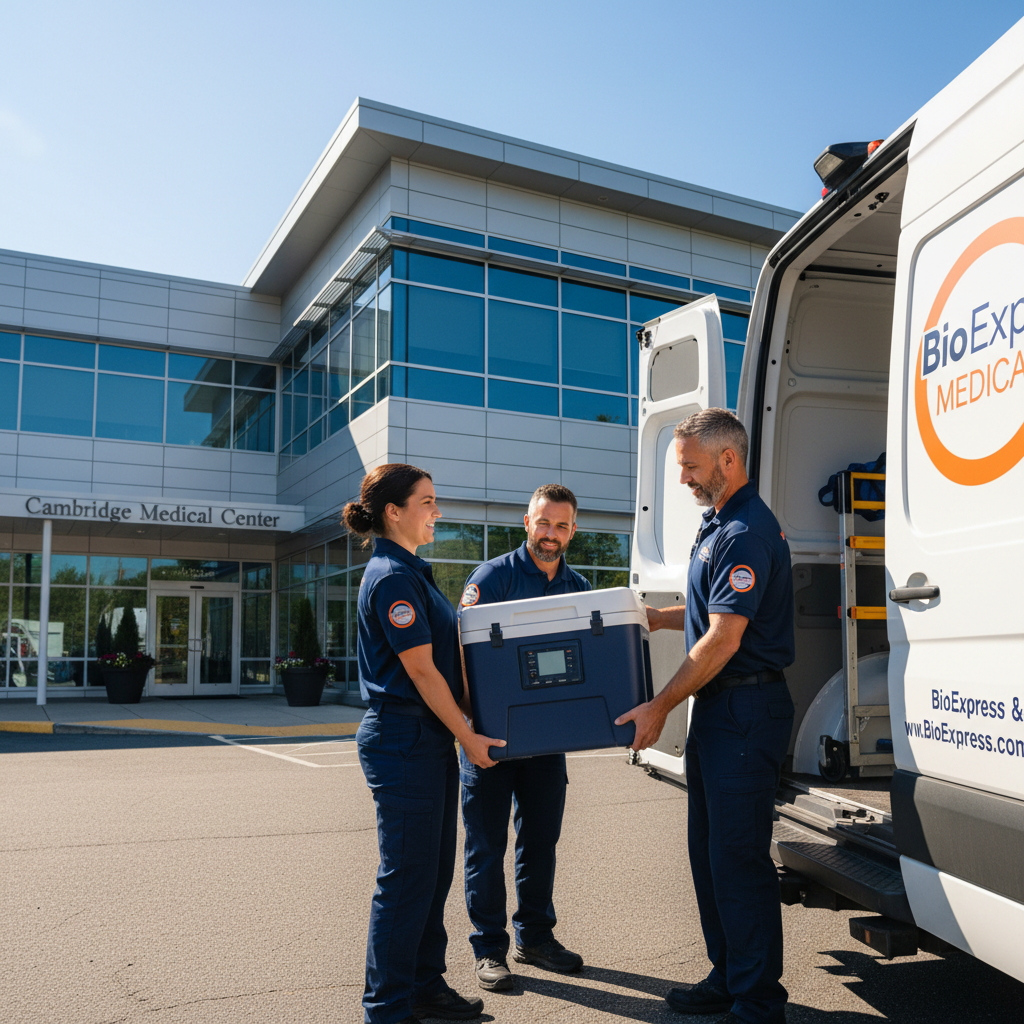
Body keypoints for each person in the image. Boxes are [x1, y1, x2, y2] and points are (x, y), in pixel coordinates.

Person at [615, 409, 795, 1024]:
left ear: (728, 458)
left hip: (746, 708)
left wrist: (660, 705)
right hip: (722, 710)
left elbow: (722, 640)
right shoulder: (717, 523)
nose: (685, 477)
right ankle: (728, 974)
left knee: (739, 859)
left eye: (691, 465)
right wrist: (651, 617)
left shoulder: (745, 531)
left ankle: (758, 999)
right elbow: (705, 612)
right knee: (709, 852)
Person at [346, 463, 506, 1024]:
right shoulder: (391, 577)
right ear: (395, 511)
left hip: (424, 735)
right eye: (428, 501)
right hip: (403, 735)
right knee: (407, 876)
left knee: (432, 872)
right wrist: (469, 735)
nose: (437, 511)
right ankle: (386, 1008)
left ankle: (424, 985)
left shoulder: (410, 570)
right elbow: (421, 672)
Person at [456, 483, 589, 993]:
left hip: (546, 742)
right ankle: (489, 949)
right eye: (543, 523)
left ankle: (534, 937)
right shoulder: (492, 577)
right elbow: (462, 653)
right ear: (526, 523)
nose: (550, 534)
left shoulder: (577, 586)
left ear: (572, 531)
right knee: (486, 846)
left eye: (561, 525)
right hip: (490, 739)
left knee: (540, 843)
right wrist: (472, 724)